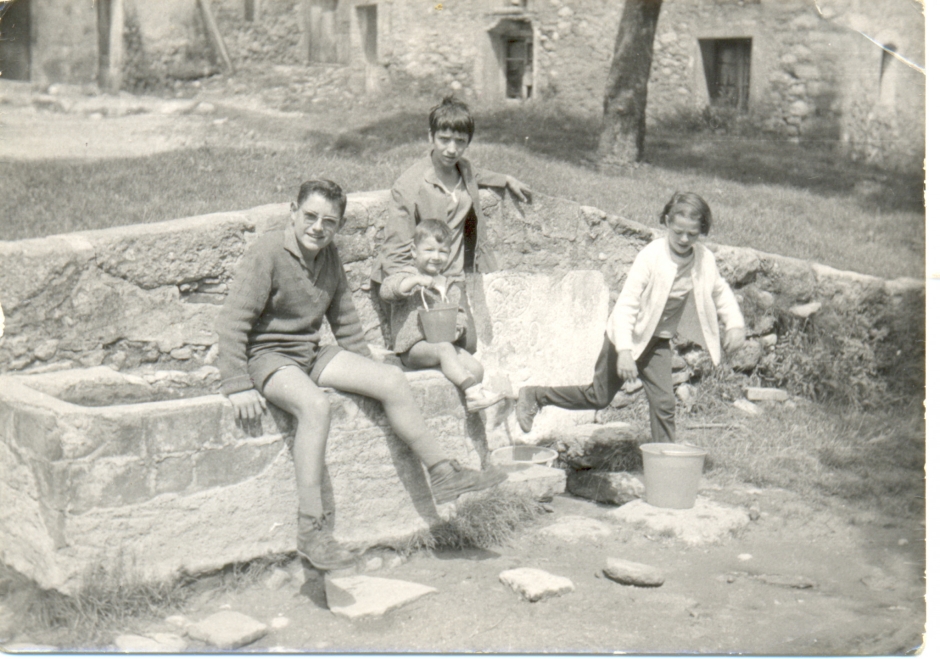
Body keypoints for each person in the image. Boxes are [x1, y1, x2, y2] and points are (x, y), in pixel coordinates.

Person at [215, 179, 507, 572]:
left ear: (338, 225)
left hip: (308, 351)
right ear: (292, 211)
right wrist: (237, 384)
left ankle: (443, 473)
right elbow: (233, 320)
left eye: (329, 221)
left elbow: (344, 317)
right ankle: (311, 529)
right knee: (315, 406)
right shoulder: (268, 251)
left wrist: (366, 364)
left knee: (391, 380)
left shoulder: (328, 255)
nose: (318, 227)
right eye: (310, 217)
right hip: (268, 356)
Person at [515, 192, 746, 443]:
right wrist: (624, 351)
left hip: (657, 341)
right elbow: (626, 305)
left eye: (692, 234)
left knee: (665, 404)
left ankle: (664, 462)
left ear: (702, 231)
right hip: (624, 337)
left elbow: (719, 290)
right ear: (667, 221)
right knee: (599, 398)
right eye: (678, 231)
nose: (684, 238)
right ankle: (535, 395)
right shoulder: (651, 256)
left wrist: (735, 325)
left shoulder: (703, 259)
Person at [371, 95, 531, 353]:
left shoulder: (463, 169)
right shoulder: (409, 185)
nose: (451, 149)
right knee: (435, 346)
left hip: (453, 277)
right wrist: (415, 285)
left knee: (468, 344)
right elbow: (396, 250)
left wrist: (505, 179)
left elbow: (477, 174)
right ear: (430, 137)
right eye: (444, 139)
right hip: (422, 279)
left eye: (460, 141)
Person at [380, 219, 505, 413]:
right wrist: (415, 281)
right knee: (445, 349)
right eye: (429, 250)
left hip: (441, 345)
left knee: (476, 368)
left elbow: (460, 315)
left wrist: (458, 328)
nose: (436, 257)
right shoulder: (406, 275)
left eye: (443, 251)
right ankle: (472, 392)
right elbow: (388, 291)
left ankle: (466, 403)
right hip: (412, 349)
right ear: (414, 251)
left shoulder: (449, 285)